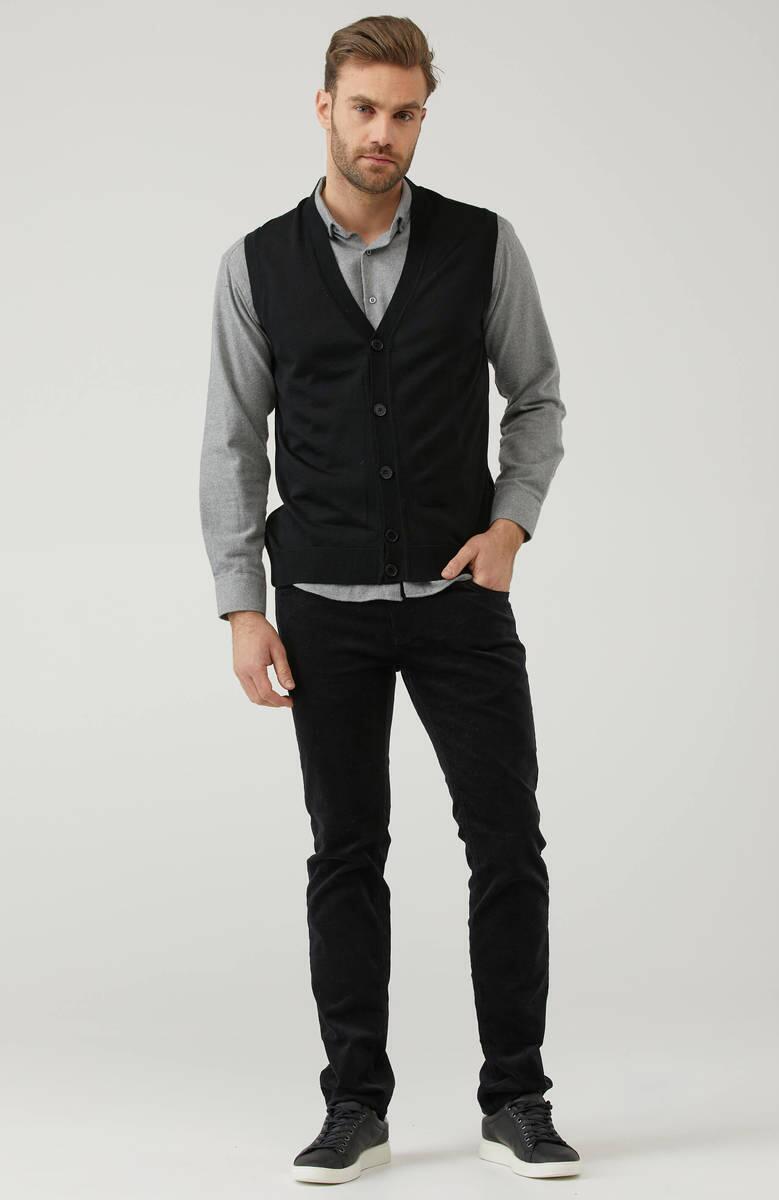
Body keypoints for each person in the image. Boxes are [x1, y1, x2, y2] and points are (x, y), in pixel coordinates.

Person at [199, 13, 580, 1185]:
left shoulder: (482, 244)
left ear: (422, 116)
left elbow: (535, 397)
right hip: (321, 606)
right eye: (363, 108)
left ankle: (515, 1096)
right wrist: (242, 606)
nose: (383, 132)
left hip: (458, 597)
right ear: (324, 107)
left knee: (506, 839)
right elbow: (232, 444)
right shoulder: (255, 265)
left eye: (404, 113)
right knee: (345, 851)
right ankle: (353, 1102)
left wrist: (510, 524)